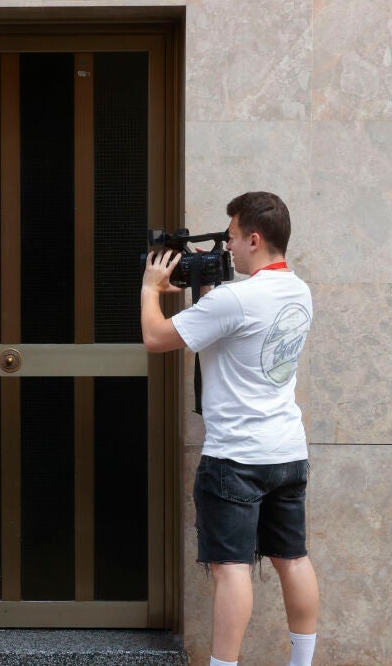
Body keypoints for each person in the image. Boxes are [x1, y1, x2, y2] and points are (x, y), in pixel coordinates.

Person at [141, 192, 318, 666]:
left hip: (236, 458)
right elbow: (230, 329)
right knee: (293, 559)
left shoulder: (235, 299)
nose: (228, 248)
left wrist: (151, 288)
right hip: (287, 452)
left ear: (255, 239)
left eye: (233, 238)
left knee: (231, 569)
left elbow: (155, 338)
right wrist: (205, 281)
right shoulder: (299, 291)